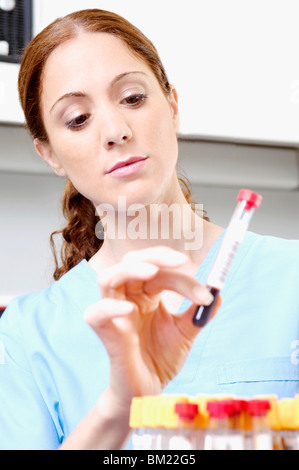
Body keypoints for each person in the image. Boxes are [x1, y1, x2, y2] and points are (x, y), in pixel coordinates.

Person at [0, 8, 298, 451]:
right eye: (78, 119)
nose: (116, 131)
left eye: (133, 98)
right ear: (49, 154)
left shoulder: (290, 277)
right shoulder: (26, 336)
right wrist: (120, 408)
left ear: (173, 105)